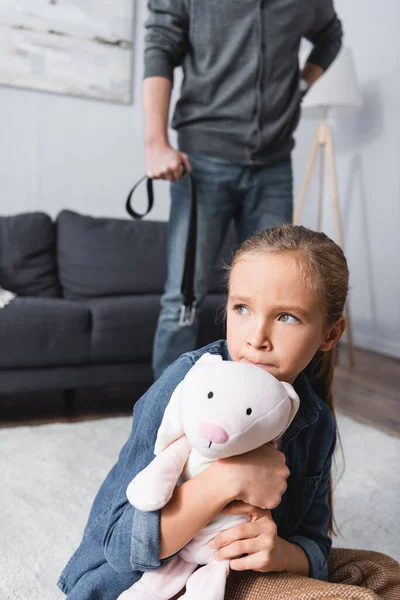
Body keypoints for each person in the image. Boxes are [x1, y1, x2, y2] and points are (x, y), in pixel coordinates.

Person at [58, 224, 351, 599]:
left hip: (228, 577)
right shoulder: (188, 383)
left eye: (286, 317)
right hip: (141, 584)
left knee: (382, 573)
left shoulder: (315, 420)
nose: (256, 338)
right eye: (242, 308)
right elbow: (117, 544)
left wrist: (280, 554)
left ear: (330, 334)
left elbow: (314, 548)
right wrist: (227, 480)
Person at [144, 0, 343, 379]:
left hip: (273, 162)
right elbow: (161, 43)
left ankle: (263, 416)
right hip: (202, 160)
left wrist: (300, 83)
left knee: (282, 295)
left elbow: (329, 35)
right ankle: (165, 419)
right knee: (182, 299)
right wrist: (155, 141)